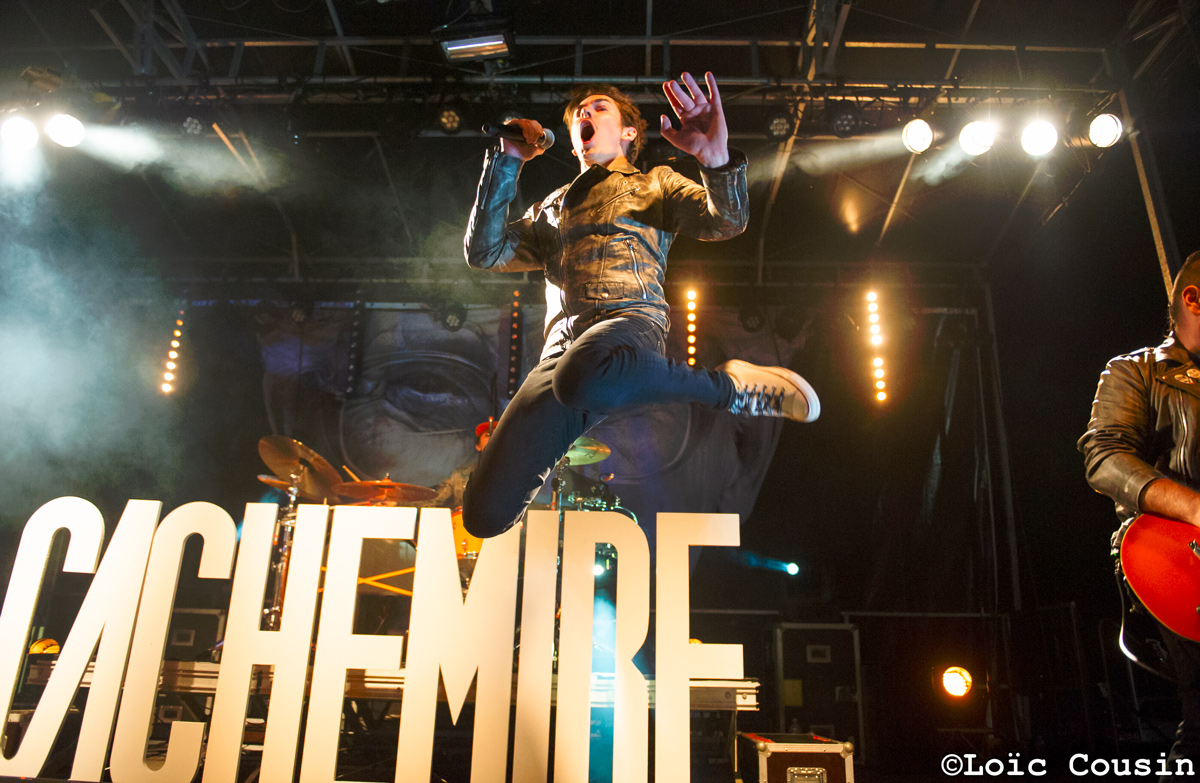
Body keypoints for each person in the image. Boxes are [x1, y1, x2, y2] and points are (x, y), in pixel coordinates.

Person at [461, 73, 820, 539]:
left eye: (600, 108)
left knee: (580, 373)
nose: (585, 113)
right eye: (578, 114)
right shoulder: (551, 207)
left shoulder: (655, 183)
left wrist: (716, 162)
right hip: (563, 354)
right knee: (484, 514)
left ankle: (728, 388)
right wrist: (508, 159)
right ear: (572, 140)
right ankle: (586, 397)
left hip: (629, 321)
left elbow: (726, 221)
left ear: (628, 133)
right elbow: (484, 252)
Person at [1079, 249, 1200, 779]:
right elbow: (1105, 457)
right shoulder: (1136, 371)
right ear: (1193, 298)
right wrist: (1194, 507)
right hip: (1178, 557)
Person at [430, 419, 493, 508]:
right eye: (488, 435)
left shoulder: (512, 476)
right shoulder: (457, 477)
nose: (493, 438)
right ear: (478, 446)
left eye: (498, 435)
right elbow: (434, 503)